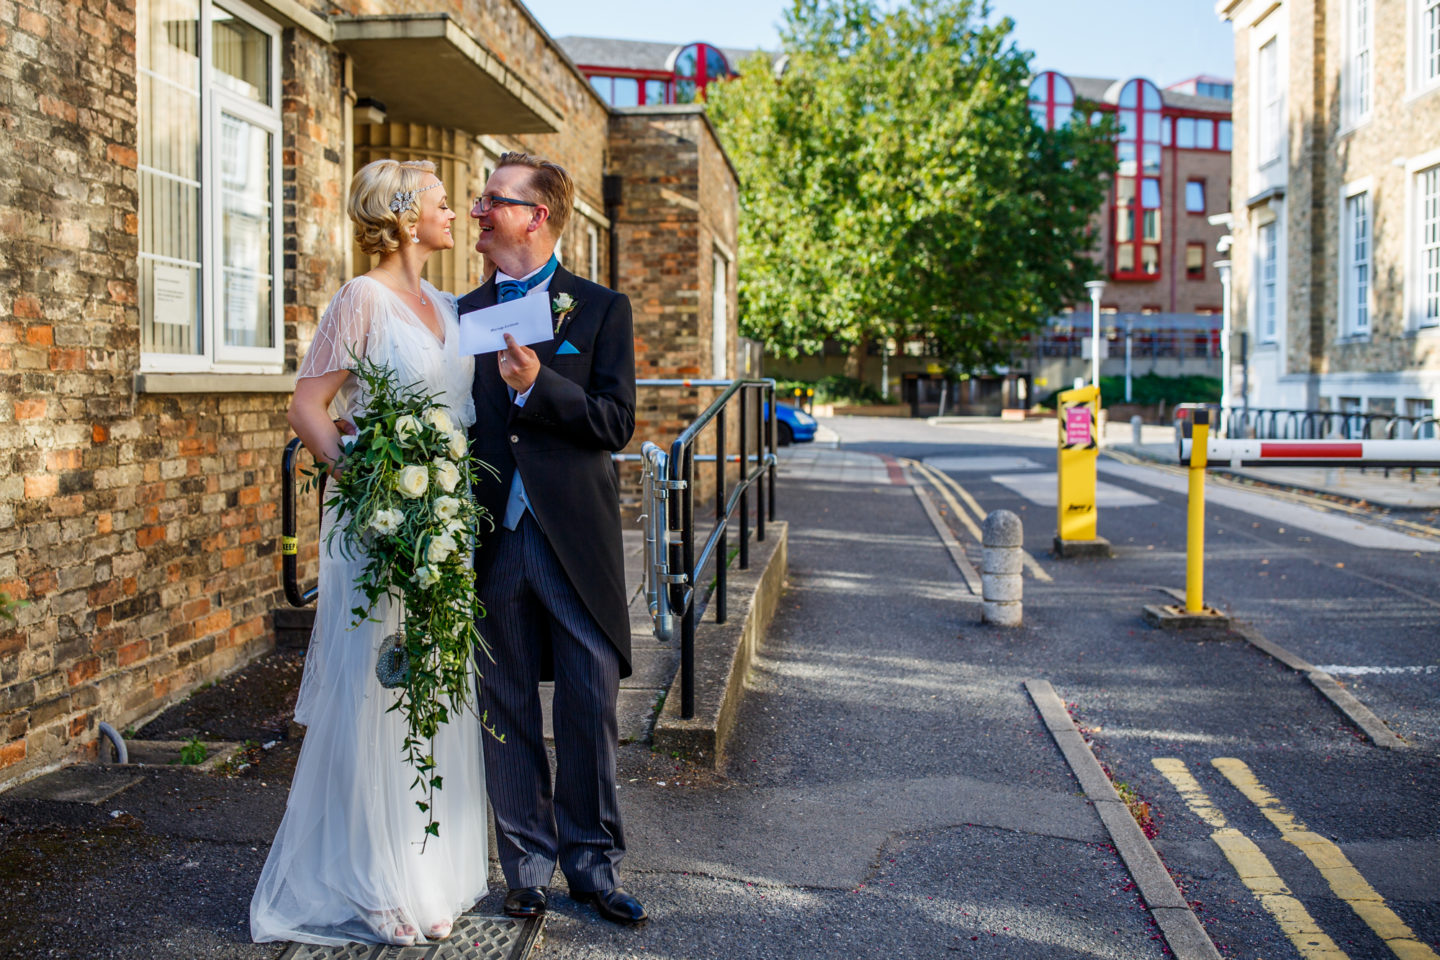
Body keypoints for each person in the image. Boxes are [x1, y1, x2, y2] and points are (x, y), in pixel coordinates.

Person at [251, 159, 488, 947]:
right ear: (403, 213)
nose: (455, 215)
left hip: (444, 528)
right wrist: (367, 479)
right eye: (444, 204)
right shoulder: (361, 300)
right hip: (382, 527)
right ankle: (372, 876)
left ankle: (429, 869)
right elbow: (308, 407)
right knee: (375, 691)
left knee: (433, 688)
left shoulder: (454, 306)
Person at [458, 152, 646, 925]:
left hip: (575, 541)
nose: (478, 210)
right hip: (494, 537)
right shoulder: (462, 311)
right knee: (502, 704)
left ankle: (592, 866)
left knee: (587, 702)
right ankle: (525, 865)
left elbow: (614, 423)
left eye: (494, 200)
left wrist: (539, 384)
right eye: (477, 198)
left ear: (537, 217)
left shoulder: (599, 309)